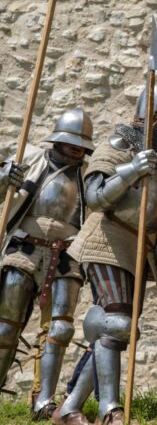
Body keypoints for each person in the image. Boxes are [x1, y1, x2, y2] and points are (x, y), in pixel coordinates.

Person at [64, 82, 157, 425]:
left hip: (138, 247)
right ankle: (110, 410)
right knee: (116, 323)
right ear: (150, 116)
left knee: (116, 332)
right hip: (107, 238)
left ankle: (69, 407)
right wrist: (131, 170)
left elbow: (155, 210)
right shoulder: (118, 145)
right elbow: (96, 197)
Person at [0, 108, 94, 420]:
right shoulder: (29, 158)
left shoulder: (88, 175)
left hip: (66, 256)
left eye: (82, 143)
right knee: (5, 328)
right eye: (72, 141)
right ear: (59, 139)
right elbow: (3, 192)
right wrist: (4, 177)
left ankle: (44, 400)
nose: (77, 147)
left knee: (61, 329)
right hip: (24, 250)